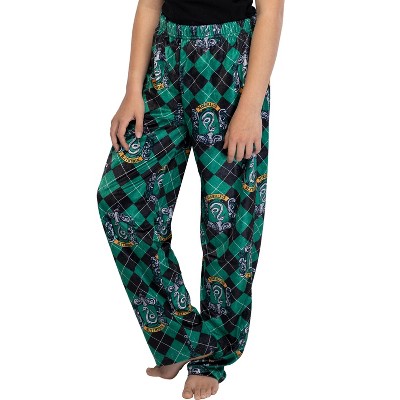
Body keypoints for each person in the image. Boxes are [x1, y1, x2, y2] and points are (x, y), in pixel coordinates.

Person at [96, 0, 284, 398]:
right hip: (165, 63)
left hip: (230, 69)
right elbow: (150, 6)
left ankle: (211, 357)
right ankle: (176, 337)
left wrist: (250, 106)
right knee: (120, 199)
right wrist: (132, 91)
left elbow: (271, 12)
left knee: (227, 225)